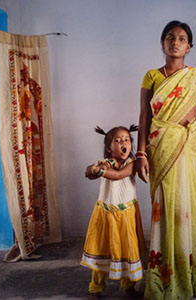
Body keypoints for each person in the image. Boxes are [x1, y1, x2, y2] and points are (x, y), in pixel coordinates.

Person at [136, 20, 196, 300]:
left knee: (191, 212)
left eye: (181, 38)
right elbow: (144, 118)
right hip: (161, 148)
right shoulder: (151, 76)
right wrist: (141, 153)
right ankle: (164, 279)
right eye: (170, 37)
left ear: (189, 46)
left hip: (191, 148)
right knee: (166, 212)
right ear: (163, 43)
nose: (175, 42)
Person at [81, 125, 146, 297]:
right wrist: (91, 170)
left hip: (125, 215)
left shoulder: (132, 164)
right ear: (109, 148)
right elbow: (91, 172)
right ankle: (96, 286)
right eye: (117, 141)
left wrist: (100, 171)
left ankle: (128, 285)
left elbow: (117, 175)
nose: (123, 143)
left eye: (126, 140)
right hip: (105, 214)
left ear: (131, 145)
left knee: (128, 248)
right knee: (101, 249)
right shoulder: (106, 163)